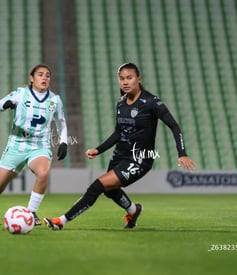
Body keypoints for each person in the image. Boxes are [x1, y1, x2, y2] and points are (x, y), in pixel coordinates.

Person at [44, 62, 194, 230]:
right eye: (122, 78)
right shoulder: (121, 103)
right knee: (110, 191)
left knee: (97, 186)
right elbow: (118, 133)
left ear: (138, 79)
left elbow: (174, 126)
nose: (125, 82)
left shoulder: (151, 102)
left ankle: (61, 221)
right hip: (119, 155)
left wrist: (182, 153)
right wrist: (99, 149)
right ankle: (133, 210)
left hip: (139, 159)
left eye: (129, 78)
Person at [0, 64, 68, 230]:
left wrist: (64, 141)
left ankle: (31, 212)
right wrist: (6, 104)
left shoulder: (55, 100)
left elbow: (61, 123)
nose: (45, 78)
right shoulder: (21, 93)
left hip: (40, 146)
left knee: (43, 172)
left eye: (48, 75)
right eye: (40, 74)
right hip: (16, 145)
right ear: (31, 78)